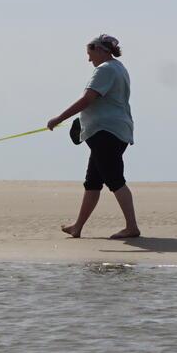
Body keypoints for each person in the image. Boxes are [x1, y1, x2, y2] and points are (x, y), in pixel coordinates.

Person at [47, 33, 140, 239]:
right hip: (112, 130)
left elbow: (87, 99)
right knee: (93, 182)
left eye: (90, 54)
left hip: (106, 132)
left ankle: (132, 227)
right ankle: (77, 226)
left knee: (115, 180)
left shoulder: (105, 69)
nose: (89, 59)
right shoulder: (119, 68)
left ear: (101, 50)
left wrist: (59, 118)